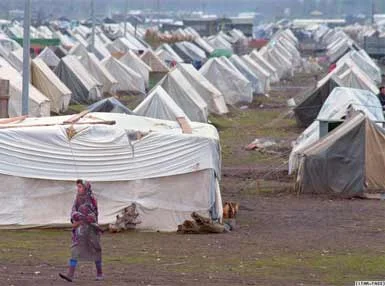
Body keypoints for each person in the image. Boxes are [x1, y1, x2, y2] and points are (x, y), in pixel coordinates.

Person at [59, 180, 103, 282]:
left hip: (92, 230)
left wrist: (87, 218)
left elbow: (94, 214)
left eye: (80, 187)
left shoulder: (92, 200)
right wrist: (77, 217)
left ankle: (99, 273)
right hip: (80, 230)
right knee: (75, 250)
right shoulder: (77, 199)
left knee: (95, 250)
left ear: (86, 188)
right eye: (77, 187)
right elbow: (73, 211)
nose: (78, 189)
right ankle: (70, 275)